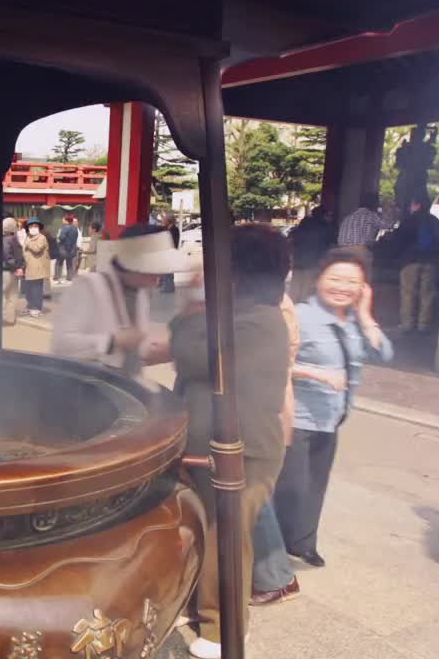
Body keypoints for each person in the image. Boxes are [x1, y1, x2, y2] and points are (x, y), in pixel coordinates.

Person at [170, 224, 292, 659]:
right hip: (215, 445)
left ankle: (223, 631)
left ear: (237, 275)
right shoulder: (241, 316)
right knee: (205, 532)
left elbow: (191, 353)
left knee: (227, 542)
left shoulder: (255, 322)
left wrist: (190, 307)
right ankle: (194, 605)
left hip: (245, 451)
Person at [274, 249, 392, 569]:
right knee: (292, 488)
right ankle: (268, 551)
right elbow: (271, 360)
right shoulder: (299, 315)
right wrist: (317, 373)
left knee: (315, 486)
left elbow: (385, 354)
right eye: (335, 278)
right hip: (295, 417)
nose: (342, 287)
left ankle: (303, 544)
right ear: (318, 280)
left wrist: (366, 315)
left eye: (353, 281)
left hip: (331, 418)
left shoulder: (354, 321)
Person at [52, 225, 190, 381]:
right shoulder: (88, 285)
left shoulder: (141, 294)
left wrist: (163, 351)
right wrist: (112, 341)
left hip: (124, 388)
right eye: (154, 270)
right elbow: (61, 344)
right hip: (87, 390)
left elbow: (131, 351)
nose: (157, 278)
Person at [249, 292, 303, 606]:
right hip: (257, 406)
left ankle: (277, 578)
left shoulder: (271, 301)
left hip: (260, 408)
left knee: (254, 494)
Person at [392, 195, 439, 334]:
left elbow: (399, 240)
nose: (410, 207)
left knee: (408, 293)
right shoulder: (437, 222)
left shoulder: (409, 221)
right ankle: (424, 325)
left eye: (411, 204)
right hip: (431, 262)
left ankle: (407, 324)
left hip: (411, 261)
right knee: (427, 293)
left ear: (417, 205)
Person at [287, 206, 335, 302]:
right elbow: (332, 244)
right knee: (309, 286)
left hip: (299, 259)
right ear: (324, 215)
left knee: (296, 284)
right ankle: (304, 305)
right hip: (314, 261)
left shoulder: (303, 225)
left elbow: (294, 239)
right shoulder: (326, 227)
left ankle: (292, 304)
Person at [23, 218, 50, 317]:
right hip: (28, 266)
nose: (33, 228)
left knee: (37, 289)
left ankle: (37, 308)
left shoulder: (42, 238)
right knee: (28, 289)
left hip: (38, 267)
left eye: (35, 226)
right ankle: (30, 306)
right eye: (31, 226)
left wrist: (28, 243)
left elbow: (37, 249)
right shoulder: (28, 237)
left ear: (39, 227)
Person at [2, 218, 25, 325]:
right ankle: (10, 319)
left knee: (3, 295)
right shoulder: (14, 239)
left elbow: (7, 256)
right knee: (12, 295)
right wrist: (19, 267)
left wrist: (16, 266)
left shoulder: (4, 240)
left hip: (6, 270)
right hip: (13, 270)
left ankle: (1, 317)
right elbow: (18, 256)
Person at [56, 214, 80, 285]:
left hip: (63, 249)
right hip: (72, 249)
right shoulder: (75, 228)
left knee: (59, 263)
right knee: (69, 264)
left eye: (63, 219)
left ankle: (59, 278)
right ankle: (69, 278)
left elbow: (61, 237)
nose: (62, 220)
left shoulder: (64, 228)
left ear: (66, 220)